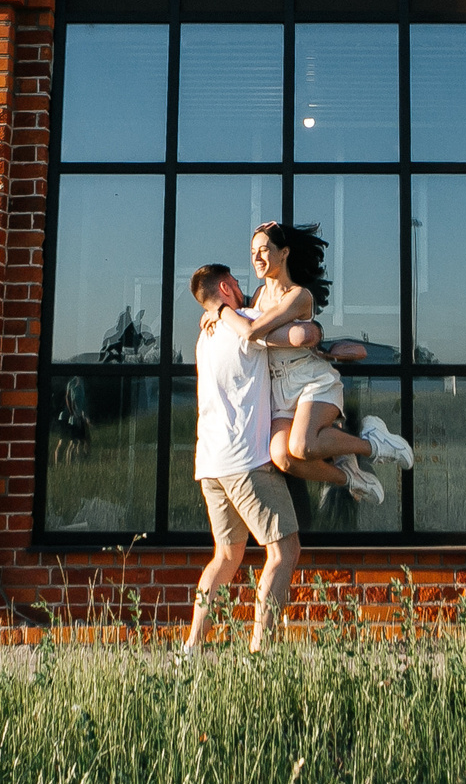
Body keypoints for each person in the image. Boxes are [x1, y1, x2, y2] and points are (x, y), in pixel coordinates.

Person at [245, 221, 414, 508]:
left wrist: (227, 316)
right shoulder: (259, 296)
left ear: (284, 252)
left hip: (310, 380)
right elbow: (249, 327)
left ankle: (374, 443)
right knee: (283, 456)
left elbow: (252, 331)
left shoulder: (298, 296)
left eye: (264, 250)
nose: (257, 258)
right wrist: (216, 312)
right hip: (280, 388)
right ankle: (351, 478)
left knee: (302, 445)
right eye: (253, 252)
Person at [182, 262, 302, 652]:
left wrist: (216, 312)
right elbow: (297, 334)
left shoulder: (205, 336)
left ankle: (193, 647)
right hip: (246, 461)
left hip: (210, 464)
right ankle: (260, 651)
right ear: (225, 288)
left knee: (227, 555)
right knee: (284, 551)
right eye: (235, 282)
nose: (242, 288)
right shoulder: (247, 322)